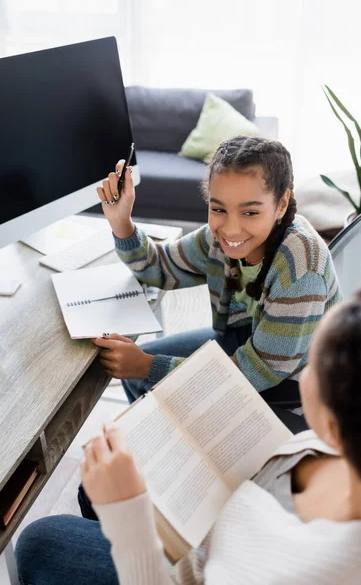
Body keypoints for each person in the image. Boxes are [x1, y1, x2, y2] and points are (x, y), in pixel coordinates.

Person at [16, 278, 361, 584]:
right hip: (215, 525)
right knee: (90, 490)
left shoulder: (291, 569)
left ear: (333, 427)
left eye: (314, 362)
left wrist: (126, 513)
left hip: (185, 568)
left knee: (39, 542)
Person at [91, 136, 340, 403]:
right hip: (246, 336)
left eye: (250, 213)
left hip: (296, 384)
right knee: (136, 376)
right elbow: (159, 268)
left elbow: (261, 372)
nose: (231, 229)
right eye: (218, 208)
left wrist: (147, 365)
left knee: (146, 376)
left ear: (280, 204)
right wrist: (121, 223)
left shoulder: (300, 268)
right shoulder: (218, 239)